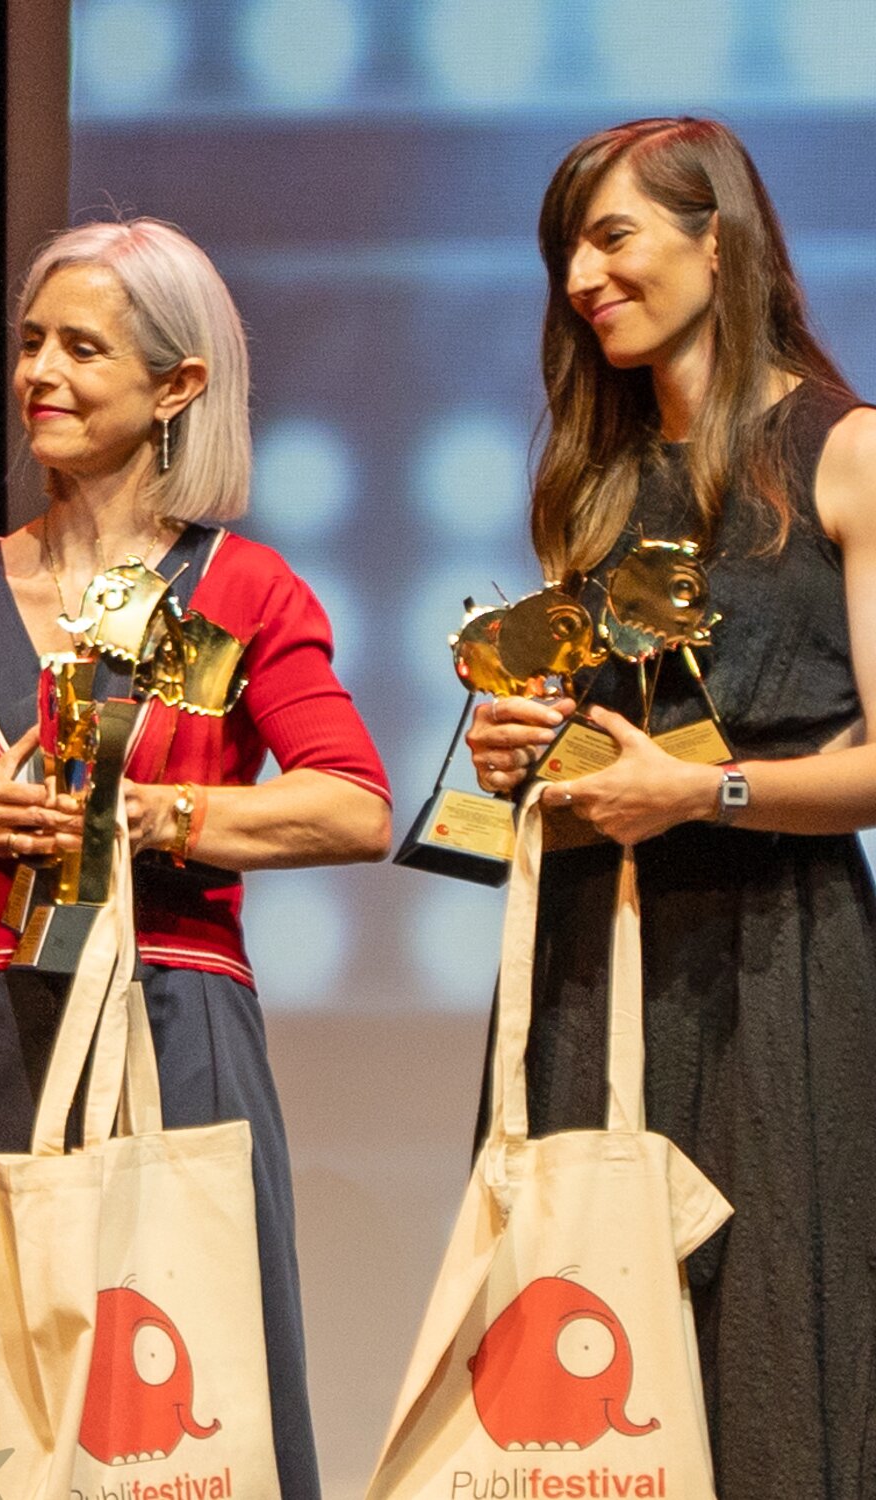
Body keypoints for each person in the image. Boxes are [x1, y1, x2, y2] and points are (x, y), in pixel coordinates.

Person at [0, 219, 391, 1500]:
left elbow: (351, 806)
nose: (41, 375)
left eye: (83, 348)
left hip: (170, 1017)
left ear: (177, 387)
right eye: (31, 344)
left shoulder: (244, 592)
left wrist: (151, 820)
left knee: (172, 1418)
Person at [463, 118, 876, 1498]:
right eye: (565, 250)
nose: (582, 276)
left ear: (720, 238)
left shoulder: (845, 452)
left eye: (613, 235)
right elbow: (595, 738)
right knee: (591, 1352)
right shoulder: (590, 484)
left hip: (779, 963)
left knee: (767, 1338)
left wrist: (703, 788)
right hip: (602, 952)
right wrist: (528, 757)